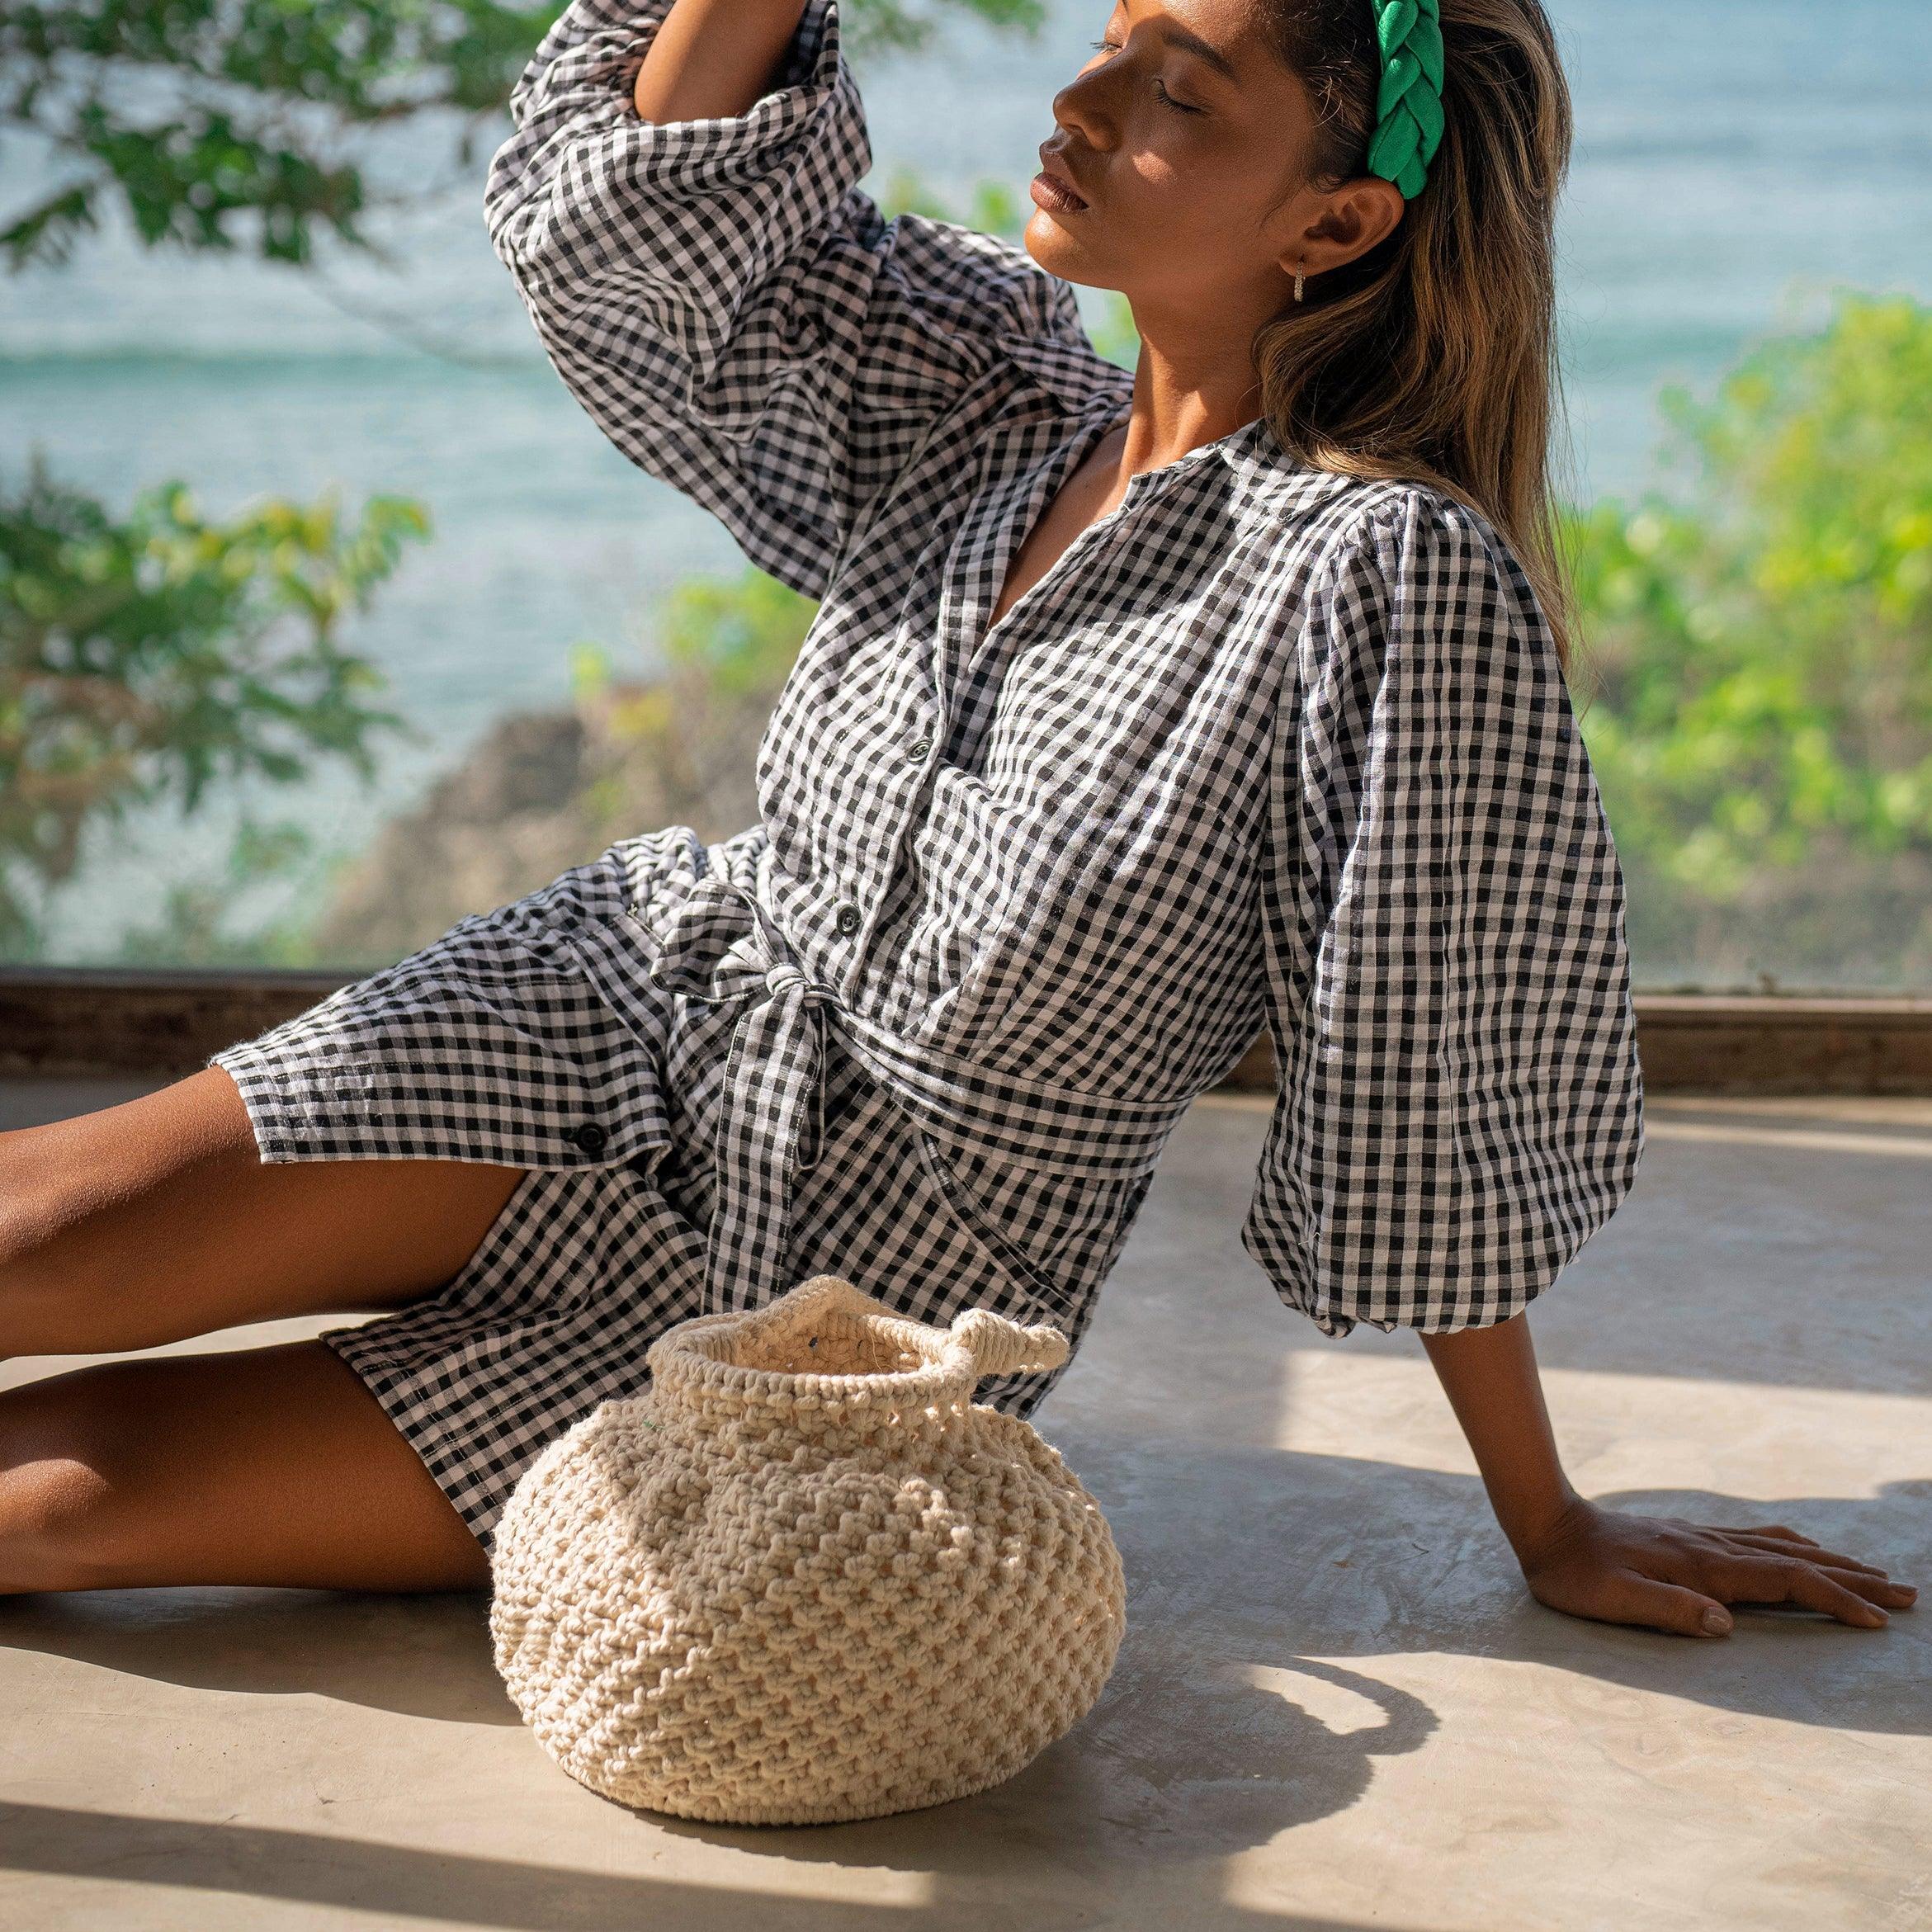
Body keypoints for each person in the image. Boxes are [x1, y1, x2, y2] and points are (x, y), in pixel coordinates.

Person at [0, 0, 1914, 1638]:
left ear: (1334, 220)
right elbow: (659, 213)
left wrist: (1549, 1520)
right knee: (45, 1236)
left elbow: (1424, 1072)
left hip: (858, 1315)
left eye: (1176, 92)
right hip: (619, 1020)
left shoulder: (1382, 579)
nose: (1077, 104)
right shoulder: (983, 388)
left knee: (66, 1505)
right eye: (1106, 42)